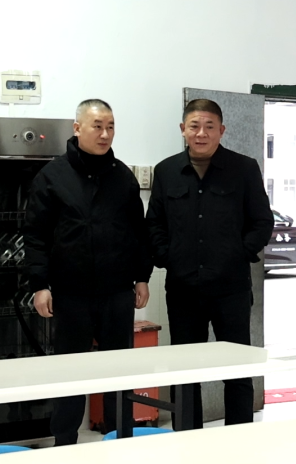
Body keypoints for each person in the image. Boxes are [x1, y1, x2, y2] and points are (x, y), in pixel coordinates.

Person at [24, 99, 152, 445]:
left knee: (118, 371)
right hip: (70, 293)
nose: (105, 134)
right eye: (98, 126)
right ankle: (65, 442)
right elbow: (35, 235)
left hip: (117, 291)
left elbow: (138, 233)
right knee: (70, 371)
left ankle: (119, 437)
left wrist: (142, 277)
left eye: (110, 127)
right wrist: (40, 284)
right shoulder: (52, 176)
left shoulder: (122, 176)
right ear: (77, 128)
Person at [147, 99, 274, 428]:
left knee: (238, 369)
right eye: (194, 126)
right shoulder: (166, 171)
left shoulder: (244, 169)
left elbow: (262, 221)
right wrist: (168, 257)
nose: (201, 133)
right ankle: (188, 438)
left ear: (221, 130)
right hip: (183, 289)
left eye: (209, 126)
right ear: (183, 129)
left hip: (230, 288)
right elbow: (155, 223)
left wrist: (238, 253)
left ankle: (239, 437)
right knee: (185, 370)